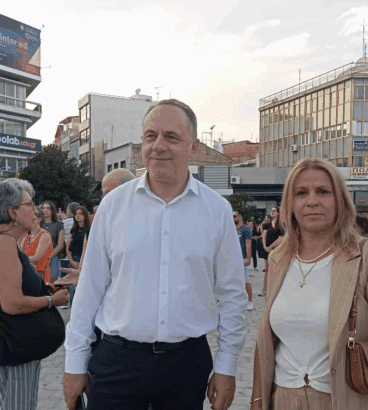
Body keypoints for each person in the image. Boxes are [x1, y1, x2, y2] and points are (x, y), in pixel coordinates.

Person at [63, 99, 247, 410]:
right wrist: (74, 361)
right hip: (117, 362)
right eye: (150, 136)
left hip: (186, 365)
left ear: (193, 147)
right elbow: (90, 288)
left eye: (171, 137)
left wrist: (226, 366)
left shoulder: (217, 210)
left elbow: (232, 294)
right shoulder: (113, 206)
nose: (158, 146)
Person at [251, 158, 368, 410]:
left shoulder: (367, 256)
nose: (312, 201)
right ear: (290, 203)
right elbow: (266, 341)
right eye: (301, 193)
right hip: (284, 398)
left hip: (347, 400)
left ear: (340, 200)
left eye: (323, 191)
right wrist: (257, 400)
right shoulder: (278, 259)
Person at [0, 178, 69, 410]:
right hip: (12, 345)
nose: (35, 210)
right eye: (29, 204)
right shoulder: (4, 243)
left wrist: (43, 288)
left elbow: (3, 287)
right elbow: (12, 303)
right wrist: (51, 300)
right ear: (12, 212)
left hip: (4, 341)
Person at [20, 207, 53, 282]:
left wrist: (19, 260)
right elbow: (20, 253)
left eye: (33, 218)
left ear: (39, 219)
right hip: (28, 273)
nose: (30, 220)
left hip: (40, 275)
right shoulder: (27, 237)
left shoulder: (44, 235)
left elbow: (37, 257)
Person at [260, 207, 284, 296]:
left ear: (278, 213)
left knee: (276, 269)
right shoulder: (267, 224)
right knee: (267, 269)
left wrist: (270, 247)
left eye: (274, 211)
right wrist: (265, 246)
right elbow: (264, 235)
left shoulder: (281, 224)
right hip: (267, 249)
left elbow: (281, 238)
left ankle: (274, 289)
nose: (272, 212)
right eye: (271, 210)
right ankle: (264, 288)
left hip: (277, 249)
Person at [40, 201, 65, 283]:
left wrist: (49, 257)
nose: (45, 210)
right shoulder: (37, 224)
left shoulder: (59, 224)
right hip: (39, 253)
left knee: (52, 281)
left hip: (53, 254)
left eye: (48, 208)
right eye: (43, 208)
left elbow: (60, 245)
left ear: (52, 210)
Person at [234, 210, 254, 311]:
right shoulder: (231, 228)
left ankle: (250, 301)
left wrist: (248, 258)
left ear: (240, 217)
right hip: (232, 258)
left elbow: (248, 244)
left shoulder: (246, 229)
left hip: (242, 257)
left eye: (235, 216)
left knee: (246, 281)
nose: (233, 218)